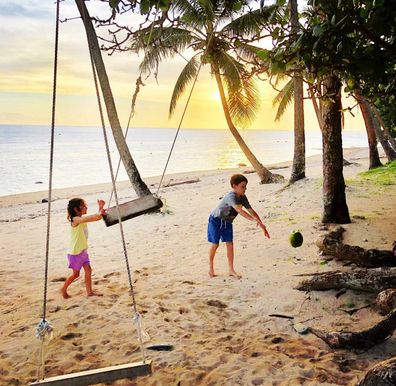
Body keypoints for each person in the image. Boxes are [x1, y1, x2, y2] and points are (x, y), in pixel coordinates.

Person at [208, 174, 270, 278]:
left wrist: (261, 223)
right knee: (215, 244)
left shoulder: (243, 197)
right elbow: (240, 211)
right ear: (234, 186)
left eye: (245, 186)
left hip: (227, 222)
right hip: (216, 220)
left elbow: (251, 211)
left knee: (230, 244)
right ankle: (211, 268)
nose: (245, 189)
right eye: (242, 186)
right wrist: (253, 220)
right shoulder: (231, 197)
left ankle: (231, 270)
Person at [61, 198, 106, 298]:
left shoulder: (82, 218)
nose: (86, 207)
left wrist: (101, 208)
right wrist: (99, 212)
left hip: (83, 251)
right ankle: (63, 289)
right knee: (76, 274)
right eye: (83, 206)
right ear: (76, 209)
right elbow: (88, 218)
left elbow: (97, 218)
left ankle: (90, 292)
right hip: (75, 253)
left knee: (88, 270)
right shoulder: (75, 219)